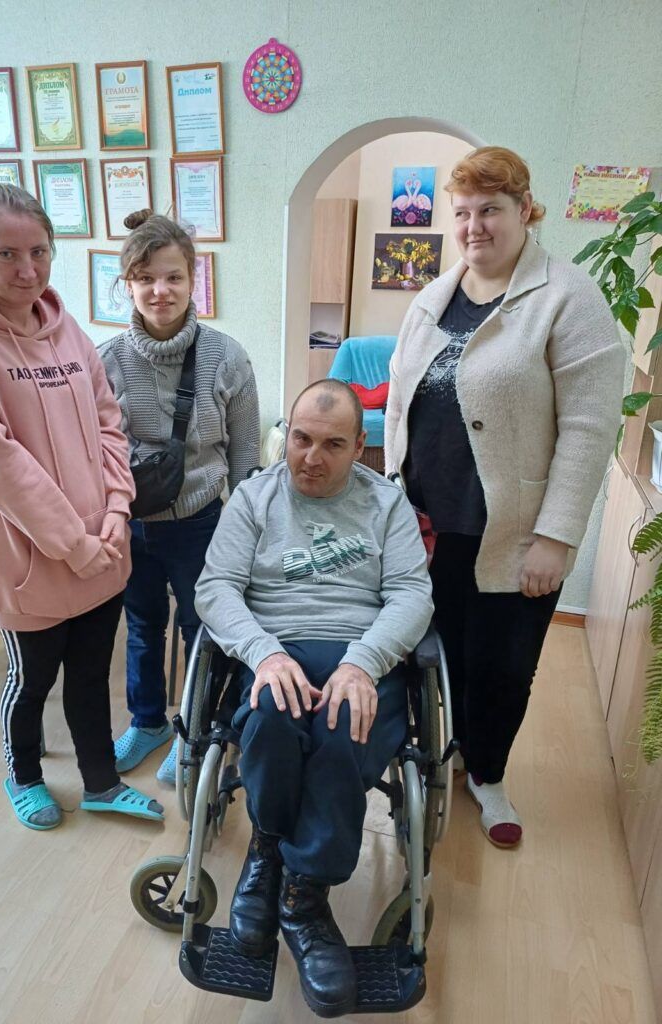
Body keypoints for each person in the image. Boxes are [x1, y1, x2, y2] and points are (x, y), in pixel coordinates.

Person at [385, 146, 624, 848]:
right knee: (432, 653)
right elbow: (398, 402)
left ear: (524, 209)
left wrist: (556, 536)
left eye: (489, 210)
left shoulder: (568, 296)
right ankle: (436, 757)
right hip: (425, 526)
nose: (474, 226)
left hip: (514, 533)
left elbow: (589, 426)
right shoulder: (433, 296)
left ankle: (487, 775)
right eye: (462, 213)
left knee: (502, 666)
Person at [0, 182, 162, 831]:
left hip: (102, 546)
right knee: (31, 681)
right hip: (29, 559)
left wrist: (116, 509)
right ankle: (24, 775)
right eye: (6, 254)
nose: (27, 270)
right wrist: (73, 544)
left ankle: (101, 783)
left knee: (89, 676)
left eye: (39, 252)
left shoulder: (65, 328)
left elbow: (109, 422)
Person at [195, 380, 433, 1018]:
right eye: (300, 439)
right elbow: (216, 587)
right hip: (276, 645)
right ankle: (271, 847)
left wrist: (364, 662)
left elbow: (412, 594)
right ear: (286, 435)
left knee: (344, 726)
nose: (311, 457)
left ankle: (303, 896)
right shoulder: (255, 498)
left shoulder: (387, 504)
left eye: (332, 445)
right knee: (273, 714)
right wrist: (264, 653)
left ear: (359, 446)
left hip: (362, 652)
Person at [99, 211, 260, 781]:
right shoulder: (106, 360)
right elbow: (94, 453)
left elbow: (245, 453)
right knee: (142, 627)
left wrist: (246, 532)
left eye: (173, 277)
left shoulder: (227, 356)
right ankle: (148, 723)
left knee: (203, 628)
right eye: (145, 279)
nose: (159, 291)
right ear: (128, 284)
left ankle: (198, 728)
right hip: (130, 521)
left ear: (195, 280)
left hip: (201, 521)